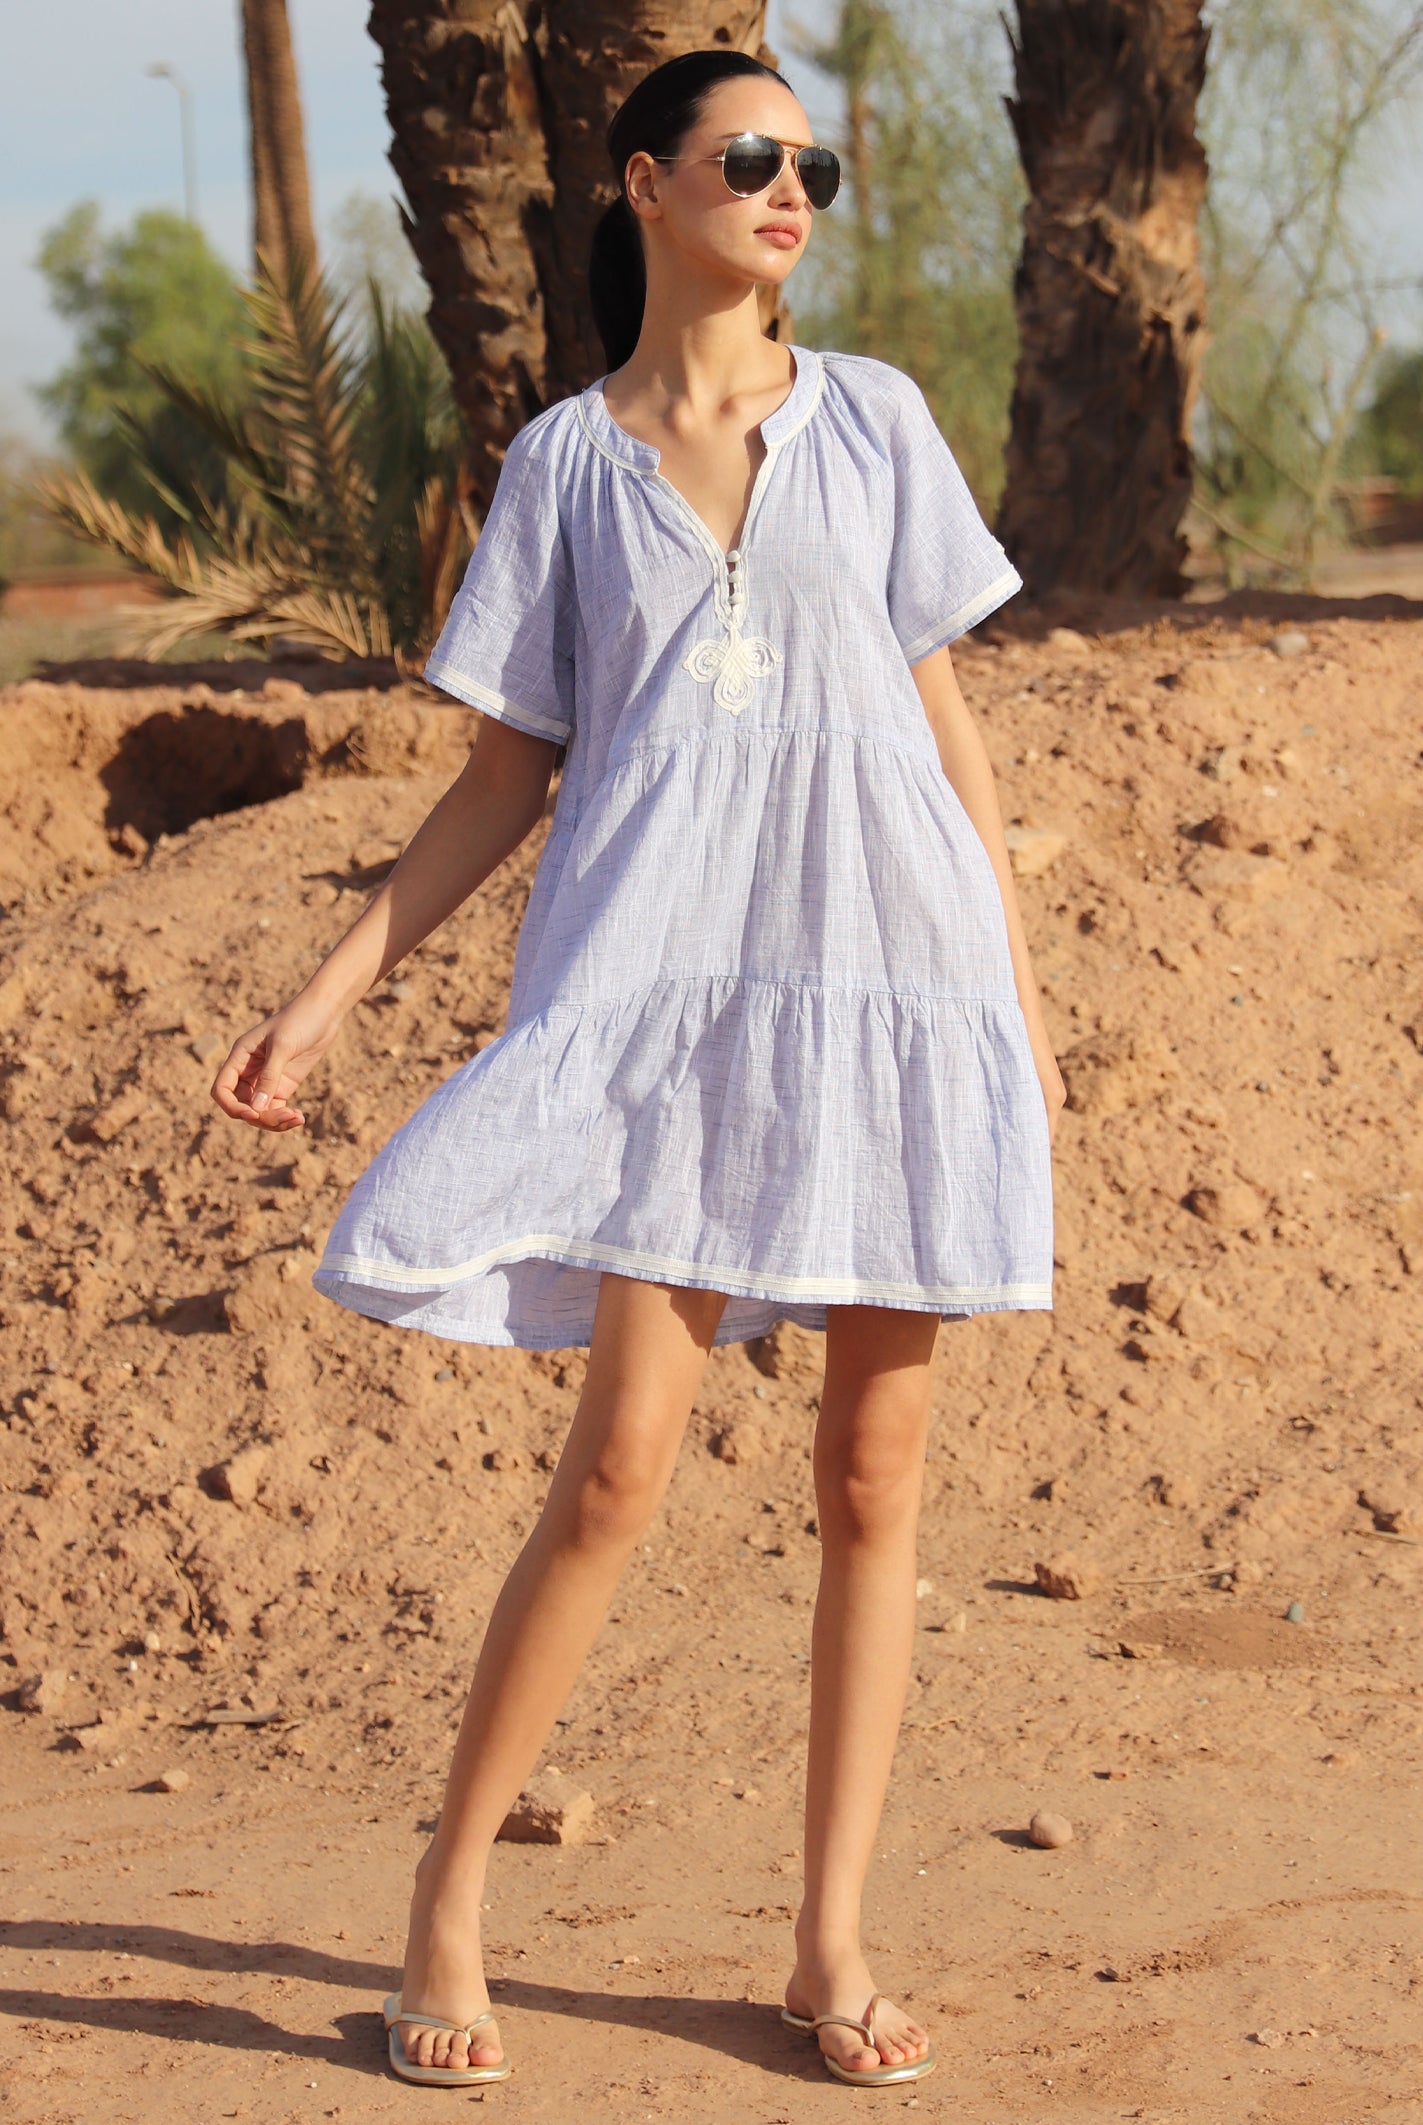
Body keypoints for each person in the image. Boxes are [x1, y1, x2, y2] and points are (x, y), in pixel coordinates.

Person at [213, 44, 1064, 2094]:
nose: (790, 192)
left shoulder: (877, 419)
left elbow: (944, 727)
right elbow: (503, 773)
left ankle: (829, 1938)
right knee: (616, 1469)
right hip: (664, 1007)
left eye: (812, 168)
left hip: (889, 986)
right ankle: (447, 1895)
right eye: (751, 157)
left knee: (874, 1476)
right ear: (641, 182)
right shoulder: (564, 470)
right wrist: (332, 992)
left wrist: (1011, 1009)